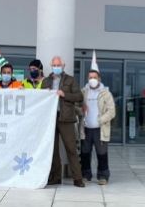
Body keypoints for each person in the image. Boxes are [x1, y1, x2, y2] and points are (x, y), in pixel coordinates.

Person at [42, 56, 85, 187]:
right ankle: (55, 177)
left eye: (58, 65)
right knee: (53, 149)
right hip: (51, 118)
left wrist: (64, 94)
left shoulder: (70, 80)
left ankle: (77, 178)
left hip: (66, 118)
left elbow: (79, 97)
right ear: (51, 66)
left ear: (63, 66)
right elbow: (40, 97)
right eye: (54, 65)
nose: (56, 67)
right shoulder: (46, 80)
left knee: (71, 149)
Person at [80, 68, 115, 185]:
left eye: (94, 77)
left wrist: (101, 120)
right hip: (86, 128)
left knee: (102, 153)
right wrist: (80, 111)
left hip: (100, 129)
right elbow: (76, 106)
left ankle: (103, 176)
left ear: (99, 78)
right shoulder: (83, 92)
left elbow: (112, 111)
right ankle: (86, 174)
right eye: (90, 77)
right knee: (85, 153)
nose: (92, 80)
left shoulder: (106, 93)